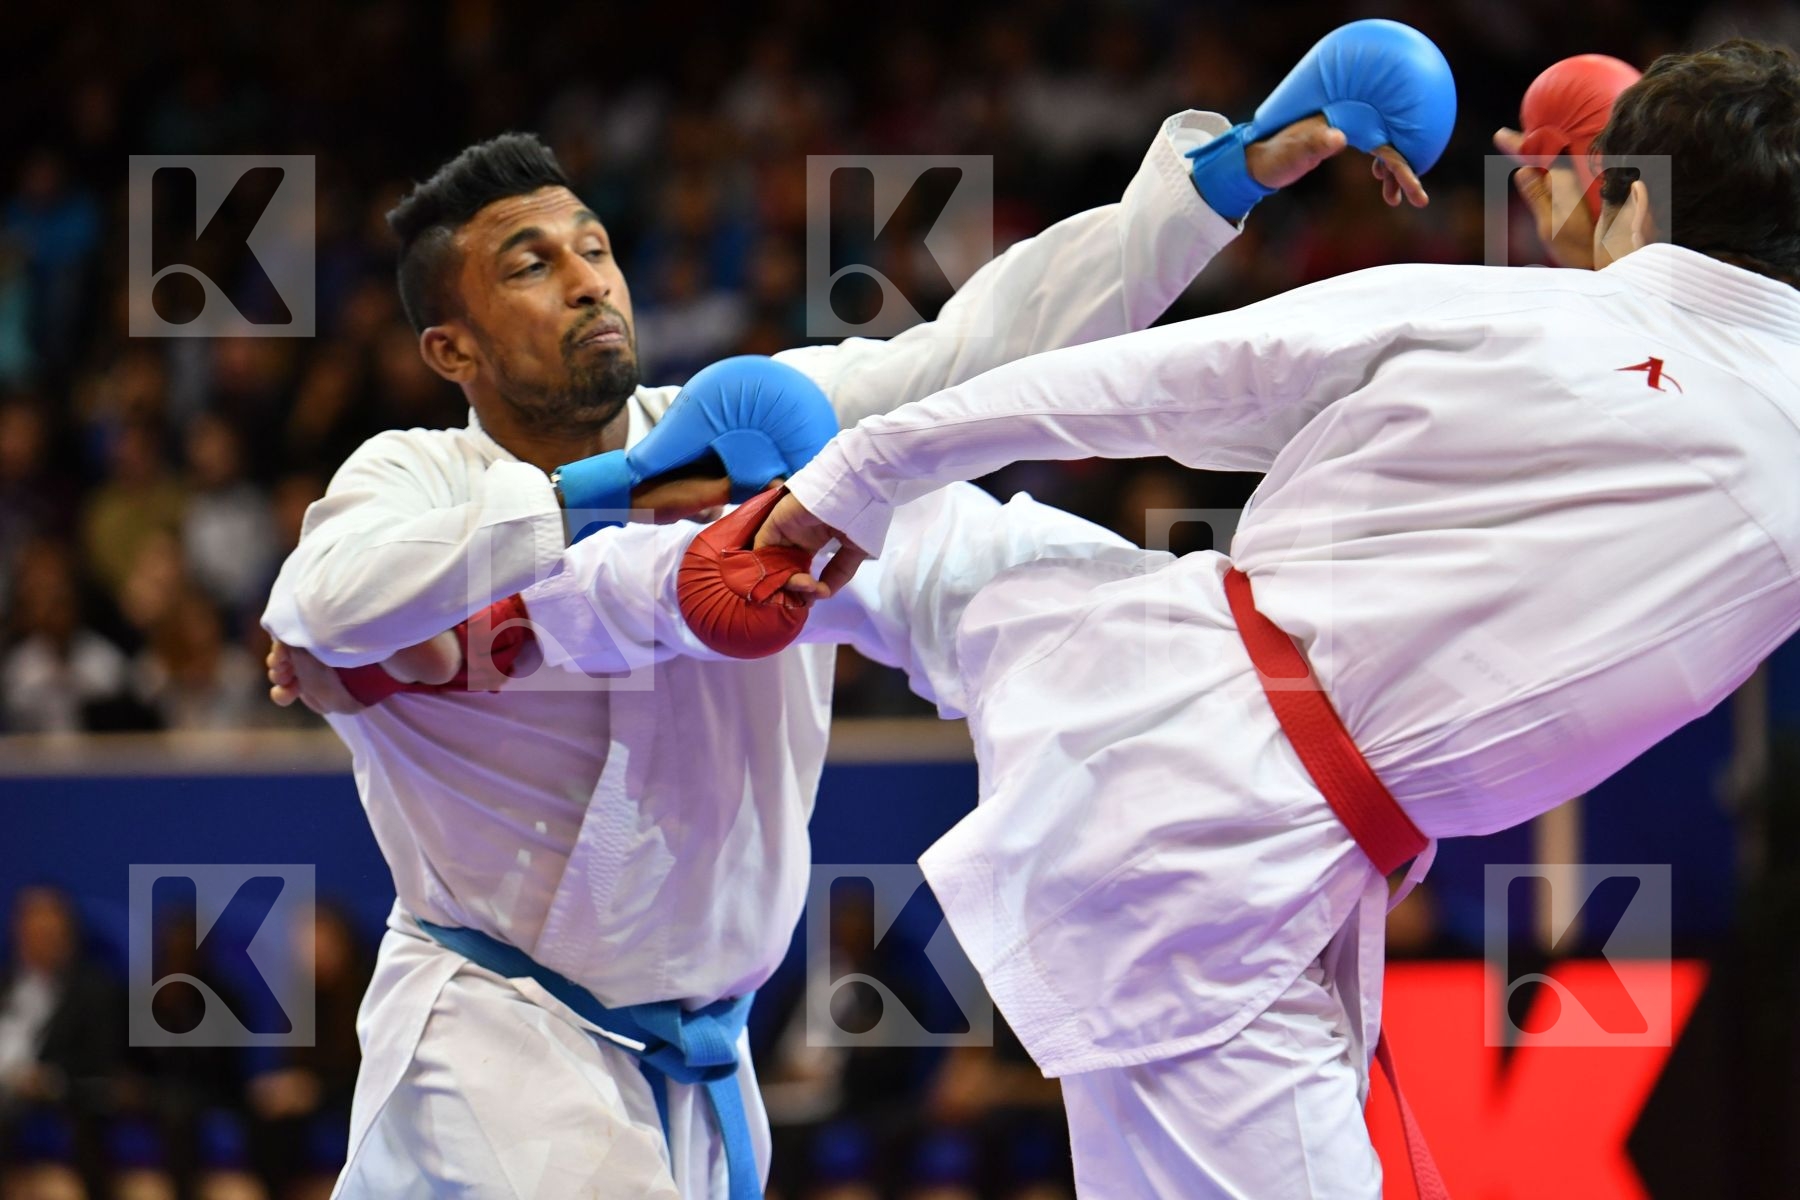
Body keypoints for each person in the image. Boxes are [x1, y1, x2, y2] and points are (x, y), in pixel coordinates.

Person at [262, 22, 1446, 1199]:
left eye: (595, 247)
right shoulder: (413, 480)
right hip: (494, 1039)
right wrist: (609, 497)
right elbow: (321, 598)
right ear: (447, 345)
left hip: (707, 1069)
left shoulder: (762, 427)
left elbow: (989, 345)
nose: (586, 281)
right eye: (530, 265)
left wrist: (1227, 176)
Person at [718, 38, 1800, 1196]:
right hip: (1209, 809)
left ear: (1633, 197)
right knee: (914, 544)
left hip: (1198, 756)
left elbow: (1127, 386)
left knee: (910, 537)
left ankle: (630, 505)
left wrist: (854, 477)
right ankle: (642, 523)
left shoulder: (1487, 312)